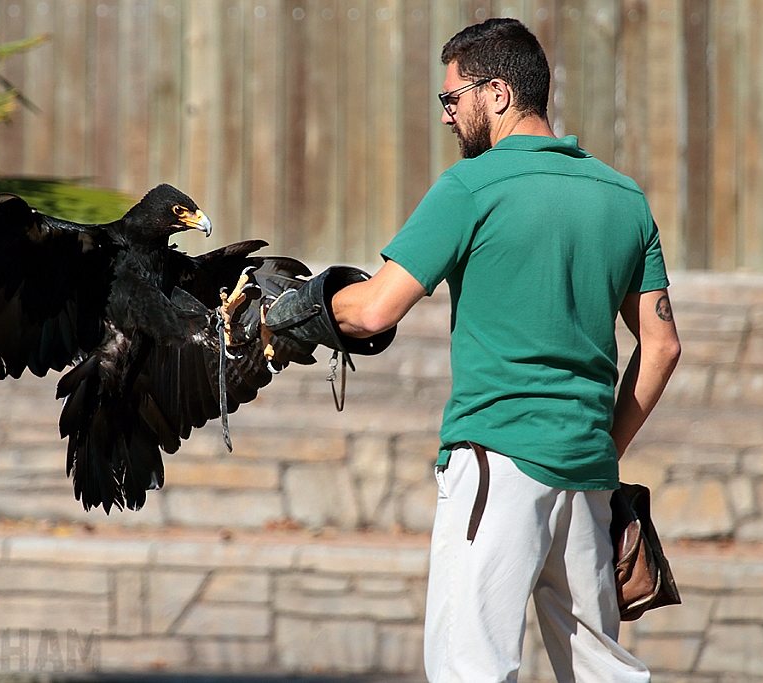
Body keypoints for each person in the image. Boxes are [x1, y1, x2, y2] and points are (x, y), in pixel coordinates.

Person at [267, 17, 681, 683]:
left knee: (471, 668)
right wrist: (601, 447)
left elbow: (374, 308)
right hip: (587, 475)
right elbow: (660, 347)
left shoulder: (472, 187)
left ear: (497, 93)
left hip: (497, 460)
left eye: (450, 98)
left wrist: (286, 311)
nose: (446, 116)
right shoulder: (623, 198)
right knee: (605, 674)